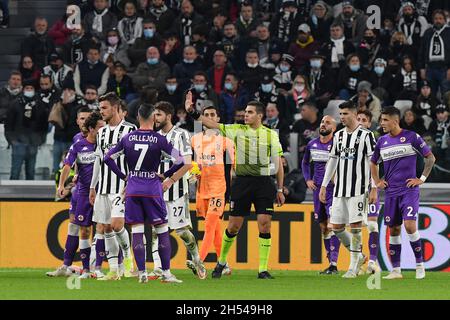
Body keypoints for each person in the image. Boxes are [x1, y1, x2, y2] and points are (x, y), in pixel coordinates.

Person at [185, 93, 285, 279]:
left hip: (264, 183)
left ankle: (262, 269)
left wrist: (280, 189)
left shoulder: (271, 135)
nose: (245, 115)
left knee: (265, 224)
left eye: (250, 112)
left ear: (260, 116)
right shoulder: (236, 130)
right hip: (242, 182)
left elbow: (278, 163)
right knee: (233, 227)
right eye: (245, 112)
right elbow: (211, 124)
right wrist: (192, 112)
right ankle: (221, 262)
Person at [103, 104, 183, 283]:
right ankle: (167, 274)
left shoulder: (128, 138)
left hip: (133, 190)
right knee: (161, 230)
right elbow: (180, 160)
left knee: (137, 230)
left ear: (138, 117)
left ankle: (142, 274)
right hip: (153, 189)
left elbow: (107, 158)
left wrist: (124, 176)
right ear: (154, 118)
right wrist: (165, 175)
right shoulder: (159, 139)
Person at [370, 106, 436, 280]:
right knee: (393, 229)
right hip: (391, 192)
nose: (381, 123)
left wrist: (421, 179)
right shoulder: (382, 141)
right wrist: (377, 182)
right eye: (381, 120)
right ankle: (396, 271)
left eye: (385, 120)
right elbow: (373, 162)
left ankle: (420, 266)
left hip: (409, 190)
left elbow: (430, 158)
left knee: (409, 226)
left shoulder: (411, 137)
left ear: (395, 121)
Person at [319, 100, 376, 278]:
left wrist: (374, 187)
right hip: (339, 190)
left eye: (345, 114)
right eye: (340, 114)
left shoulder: (367, 136)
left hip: (358, 189)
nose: (342, 117)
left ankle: (352, 267)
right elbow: (333, 160)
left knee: (356, 227)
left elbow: (373, 163)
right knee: (335, 227)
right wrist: (324, 184)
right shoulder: (339, 136)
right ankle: (359, 256)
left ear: (353, 113)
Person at [151, 101, 206, 280]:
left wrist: (170, 180)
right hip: (156, 191)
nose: (155, 118)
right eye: (154, 114)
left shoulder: (181, 134)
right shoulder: (154, 135)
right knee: (155, 230)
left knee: (182, 231)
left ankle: (196, 258)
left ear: (169, 116)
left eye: (158, 114)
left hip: (176, 190)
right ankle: (159, 268)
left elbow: (187, 162)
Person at [47, 112, 104, 278]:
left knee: (106, 228)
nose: (103, 130)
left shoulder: (106, 143)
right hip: (83, 192)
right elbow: (68, 164)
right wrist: (62, 185)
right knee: (81, 228)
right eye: (81, 118)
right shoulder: (78, 142)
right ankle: (75, 267)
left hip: (104, 192)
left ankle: (111, 267)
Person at [89, 92, 136, 280]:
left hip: (121, 186)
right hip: (103, 187)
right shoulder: (101, 132)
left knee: (117, 225)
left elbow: (135, 160)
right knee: (106, 228)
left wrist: (131, 181)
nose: (101, 112)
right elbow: (98, 161)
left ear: (116, 108)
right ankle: (114, 271)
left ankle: (128, 260)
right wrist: (93, 187)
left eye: (104, 108)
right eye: (100, 108)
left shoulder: (130, 130)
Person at [190, 106, 234, 274]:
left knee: (209, 225)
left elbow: (231, 170)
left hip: (219, 189)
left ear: (217, 119)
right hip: (202, 189)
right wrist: (193, 172)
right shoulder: (194, 140)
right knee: (215, 228)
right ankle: (224, 265)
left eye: (211, 115)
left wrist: (228, 194)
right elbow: (190, 163)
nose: (208, 117)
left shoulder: (226, 142)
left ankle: (198, 261)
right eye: (205, 115)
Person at [302, 115, 341, 275]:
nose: (323, 125)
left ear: (335, 128)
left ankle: (334, 262)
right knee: (323, 226)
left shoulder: (337, 145)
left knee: (333, 225)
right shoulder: (312, 144)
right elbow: (305, 163)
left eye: (327, 123)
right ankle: (330, 261)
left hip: (333, 190)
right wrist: (308, 179)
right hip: (318, 190)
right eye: (322, 122)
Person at [4, 79, 48, 180]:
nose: (29, 90)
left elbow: (44, 124)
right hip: (18, 142)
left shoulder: (39, 104)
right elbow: (8, 124)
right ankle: (12, 195)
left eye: (31, 88)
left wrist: (40, 140)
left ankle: (31, 195)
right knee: (15, 171)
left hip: (33, 142)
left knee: (31, 172)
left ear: (34, 90)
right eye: (27, 88)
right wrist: (12, 140)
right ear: (23, 89)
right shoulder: (15, 104)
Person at [356, 109, 381, 274]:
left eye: (363, 120)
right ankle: (359, 258)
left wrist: (374, 187)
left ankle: (372, 262)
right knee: (353, 227)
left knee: (372, 225)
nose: (360, 122)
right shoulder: (346, 139)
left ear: (369, 124)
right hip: (353, 190)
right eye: (358, 119)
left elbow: (377, 165)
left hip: (369, 188)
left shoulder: (374, 141)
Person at [418, 9, 450, 95]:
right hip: (430, 69)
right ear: (433, 20)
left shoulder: (448, 32)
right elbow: (422, 51)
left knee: (446, 94)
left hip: (445, 68)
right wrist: (422, 68)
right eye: (436, 18)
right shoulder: (428, 32)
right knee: (430, 95)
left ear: (445, 20)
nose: (438, 21)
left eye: (440, 18)